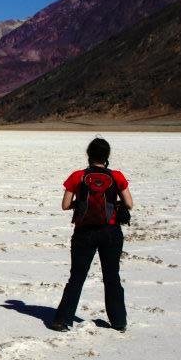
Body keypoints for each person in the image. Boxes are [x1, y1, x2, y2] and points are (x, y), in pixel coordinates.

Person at [51, 137, 133, 332]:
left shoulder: (77, 176)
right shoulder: (117, 176)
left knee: (77, 277)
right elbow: (129, 204)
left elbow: (64, 205)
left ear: (88, 155)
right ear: (107, 156)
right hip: (111, 232)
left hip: (83, 232)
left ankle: (62, 320)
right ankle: (119, 321)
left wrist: (79, 205)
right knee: (112, 276)